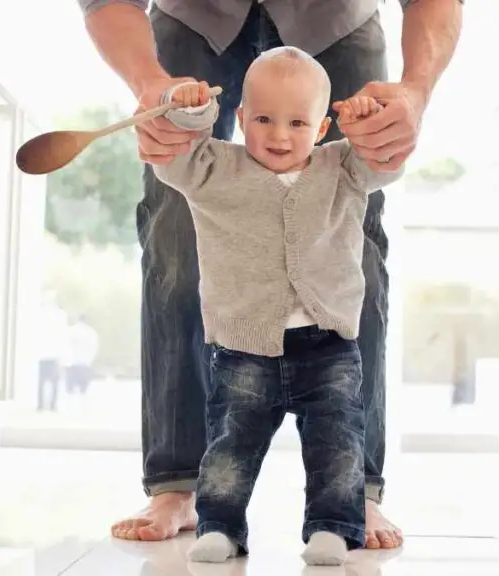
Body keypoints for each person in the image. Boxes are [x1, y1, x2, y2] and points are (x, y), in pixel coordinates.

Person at [77, 0, 463, 549]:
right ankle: (178, 482)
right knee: (172, 229)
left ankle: (356, 493)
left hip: (337, 16)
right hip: (193, 14)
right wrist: (152, 82)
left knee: (354, 230)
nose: (279, 134)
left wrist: (416, 91)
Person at [152, 49, 405, 565]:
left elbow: (384, 160)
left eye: (297, 122)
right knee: (230, 444)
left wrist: (365, 124)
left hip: (328, 344)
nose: (279, 135)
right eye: (263, 119)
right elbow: (171, 159)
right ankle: (220, 524)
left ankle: (332, 527)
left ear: (322, 126)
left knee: (337, 443)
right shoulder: (215, 168)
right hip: (245, 345)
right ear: (241, 118)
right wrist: (190, 112)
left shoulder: (344, 168)